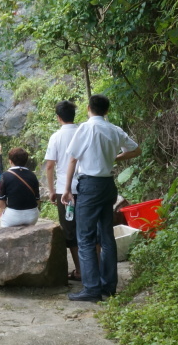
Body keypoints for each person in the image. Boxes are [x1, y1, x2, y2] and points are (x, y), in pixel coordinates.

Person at [62, 94, 141, 302]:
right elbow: (136, 150)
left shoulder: (86, 128)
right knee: (106, 236)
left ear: (88, 108)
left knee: (86, 237)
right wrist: (116, 157)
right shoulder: (114, 129)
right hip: (108, 185)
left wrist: (67, 189)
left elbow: (72, 159)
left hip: (89, 185)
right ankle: (109, 286)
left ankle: (91, 288)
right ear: (107, 110)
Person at [44, 100, 82, 281]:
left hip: (64, 191)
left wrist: (51, 190)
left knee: (70, 230)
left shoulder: (56, 137)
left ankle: (80, 270)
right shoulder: (84, 132)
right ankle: (94, 268)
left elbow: (50, 166)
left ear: (58, 118)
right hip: (86, 187)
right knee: (89, 228)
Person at [0, 147, 40, 227]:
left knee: (4, 231)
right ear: (26, 161)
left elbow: (0, 204)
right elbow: (37, 200)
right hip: (32, 216)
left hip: (13, 217)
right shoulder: (32, 175)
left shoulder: (4, 176)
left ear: (10, 161)